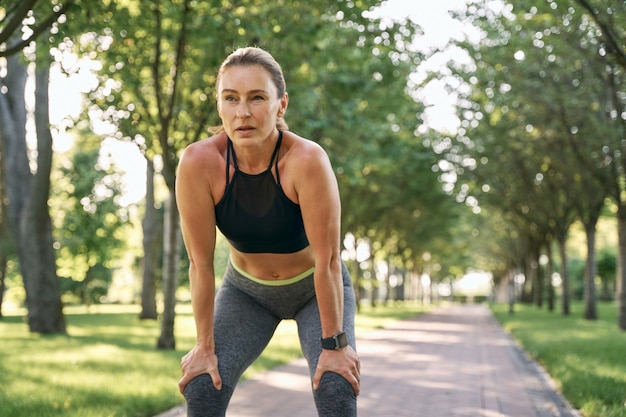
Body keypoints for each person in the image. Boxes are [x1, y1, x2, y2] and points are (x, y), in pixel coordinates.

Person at [175, 46, 360, 417]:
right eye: (231, 98)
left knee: (336, 385)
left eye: (257, 98)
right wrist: (204, 346)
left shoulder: (306, 160)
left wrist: (335, 346)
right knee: (203, 385)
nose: (243, 112)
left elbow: (328, 261)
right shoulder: (199, 163)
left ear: (281, 105)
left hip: (314, 288)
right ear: (219, 105)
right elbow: (200, 264)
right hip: (247, 293)